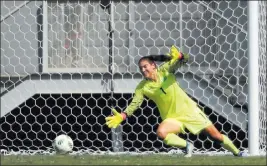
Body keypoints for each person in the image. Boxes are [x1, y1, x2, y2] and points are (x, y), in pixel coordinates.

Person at [105, 45, 246, 157]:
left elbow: (182, 61)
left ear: (153, 65)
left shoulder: (165, 70)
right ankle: (187, 146)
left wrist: (180, 56)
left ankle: (237, 152)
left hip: (190, 111)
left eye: (145, 66)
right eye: (141, 68)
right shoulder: (142, 87)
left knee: (216, 137)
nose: (143, 69)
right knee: (161, 132)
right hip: (172, 118)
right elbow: (135, 104)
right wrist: (123, 115)